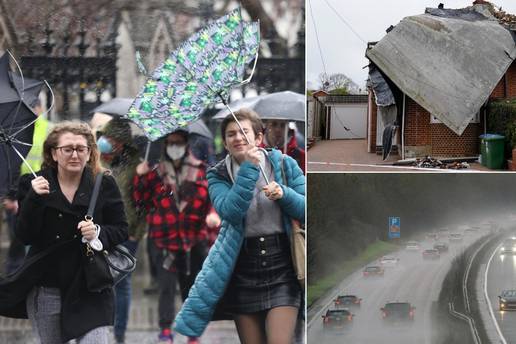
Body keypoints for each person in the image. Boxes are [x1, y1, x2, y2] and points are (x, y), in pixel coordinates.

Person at [174, 108, 305, 344]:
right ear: (224, 142)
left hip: (283, 266)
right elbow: (231, 211)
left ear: (258, 138)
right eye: (231, 134)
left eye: (244, 132)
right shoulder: (218, 174)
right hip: (243, 268)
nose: (238, 138)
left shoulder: (285, 165)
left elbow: (306, 210)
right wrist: (249, 168)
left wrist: (284, 194)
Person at [0, 121, 128, 343]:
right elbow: (24, 235)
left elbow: (121, 229)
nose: (75, 155)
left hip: (90, 284)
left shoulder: (103, 183)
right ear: (54, 153)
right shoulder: (32, 183)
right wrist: (33, 199)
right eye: (67, 149)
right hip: (46, 284)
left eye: (81, 149)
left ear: (89, 153)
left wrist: (97, 232)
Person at [133, 129, 220, 344]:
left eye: (179, 143)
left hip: (193, 239)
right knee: (166, 287)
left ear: (186, 144)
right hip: (164, 239)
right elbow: (141, 202)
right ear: (164, 145)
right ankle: (165, 330)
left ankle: (192, 333)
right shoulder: (155, 172)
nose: (175, 147)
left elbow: (213, 200)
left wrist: (212, 214)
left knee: (192, 288)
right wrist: (141, 177)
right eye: (171, 143)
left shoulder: (201, 170)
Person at [96, 118, 147, 344]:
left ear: (122, 143)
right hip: (102, 231)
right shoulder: (98, 162)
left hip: (128, 233)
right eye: (106, 138)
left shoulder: (136, 165)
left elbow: (145, 202)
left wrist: (138, 232)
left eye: (113, 140)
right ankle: (101, 329)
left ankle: (119, 334)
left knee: (123, 283)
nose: (107, 143)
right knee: (102, 280)